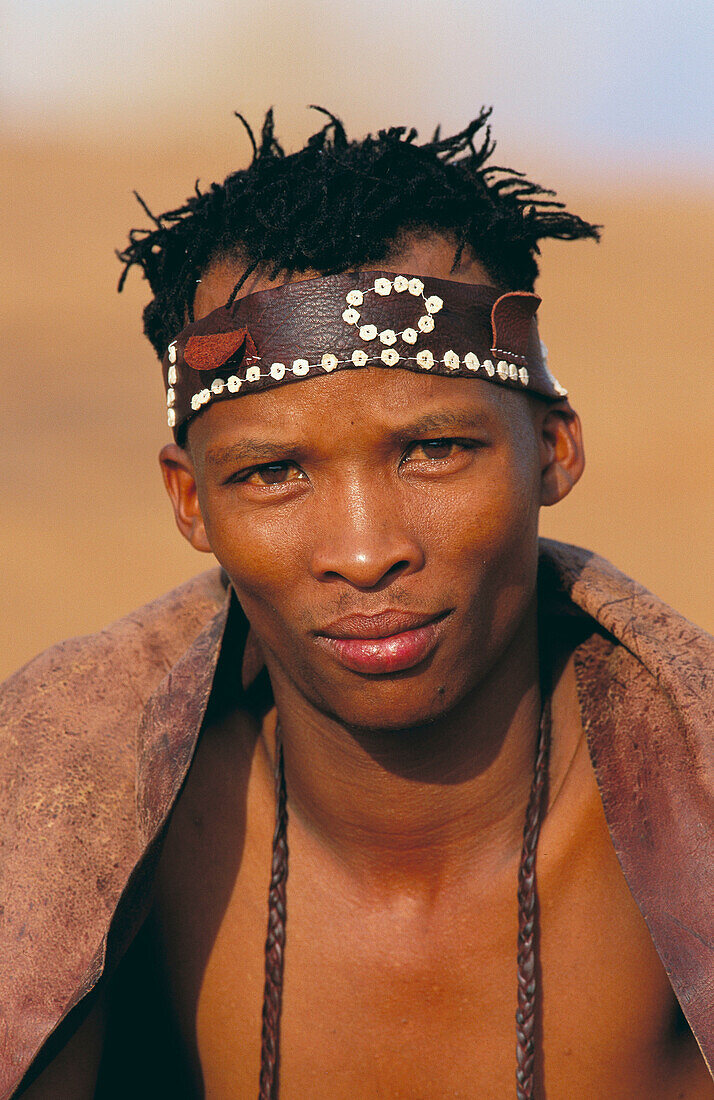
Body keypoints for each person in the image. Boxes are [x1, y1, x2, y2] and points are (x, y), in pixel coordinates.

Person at [1, 107, 712, 1100]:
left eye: (433, 450)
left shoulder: (694, 816)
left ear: (551, 450)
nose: (367, 550)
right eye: (274, 472)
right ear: (190, 500)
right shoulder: (63, 841)